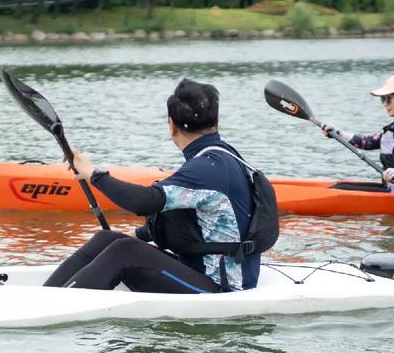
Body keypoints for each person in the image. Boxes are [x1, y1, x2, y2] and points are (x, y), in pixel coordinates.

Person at [43, 78, 270, 293]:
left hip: (223, 286)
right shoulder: (221, 157)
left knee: (125, 251)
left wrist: (94, 175)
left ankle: (54, 306)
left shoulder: (207, 168)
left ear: (171, 125)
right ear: (216, 122)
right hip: (205, 269)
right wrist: (139, 234)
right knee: (108, 239)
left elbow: (145, 202)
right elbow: (190, 216)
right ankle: (46, 296)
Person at [323, 72, 394, 191]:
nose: (385, 104)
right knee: (340, 186)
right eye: (383, 99)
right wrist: (337, 133)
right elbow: (366, 142)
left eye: (389, 99)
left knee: (340, 189)